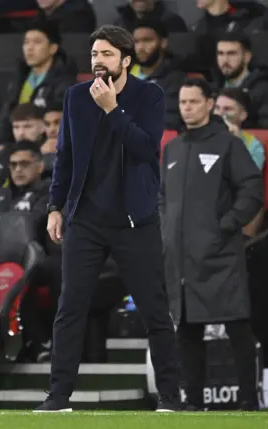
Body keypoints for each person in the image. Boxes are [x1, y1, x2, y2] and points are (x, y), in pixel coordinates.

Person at [37, 25, 180, 413]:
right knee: (71, 307)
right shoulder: (75, 97)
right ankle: (58, 396)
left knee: (154, 308)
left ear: (126, 61)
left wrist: (112, 110)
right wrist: (55, 206)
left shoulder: (149, 95)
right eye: (95, 54)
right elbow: (63, 156)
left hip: (135, 219)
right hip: (86, 219)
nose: (98, 61)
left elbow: (145, 148)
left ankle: (170, 397)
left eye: (107, 54)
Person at [160, 77, 264, 411]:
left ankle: (249, 399)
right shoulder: (172, 149)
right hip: (181, 257)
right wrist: (164, 230)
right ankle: (192, 400)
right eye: (182, 102)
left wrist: (229, 224)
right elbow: (162, 198)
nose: (187, 108)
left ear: (209, 103)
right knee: (187, 330)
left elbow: (252, 189)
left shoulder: (228, 145)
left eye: (193, 102)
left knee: (236, 325)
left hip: (220, 254)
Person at [214, 87, 266, 238]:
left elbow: (249, 181)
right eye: (217, 108)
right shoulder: (202, 138)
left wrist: (236, 144)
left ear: (242, 115)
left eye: (228, 109)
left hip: (235, 201)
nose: (221, 114)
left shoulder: (253, 145)